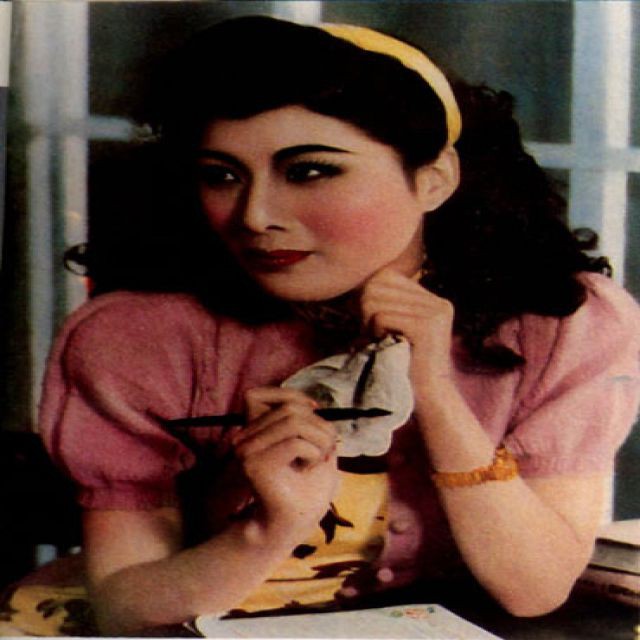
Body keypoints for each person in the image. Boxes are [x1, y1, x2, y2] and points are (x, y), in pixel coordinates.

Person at [8, 15, 640, 636]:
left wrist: (436, 392)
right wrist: (267, 528)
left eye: (309, 170)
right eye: (221, 175)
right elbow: (123, 610)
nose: (255, 216)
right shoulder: (139, 337)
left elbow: (533, 590)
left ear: (434, 179)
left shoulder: (563, 324)